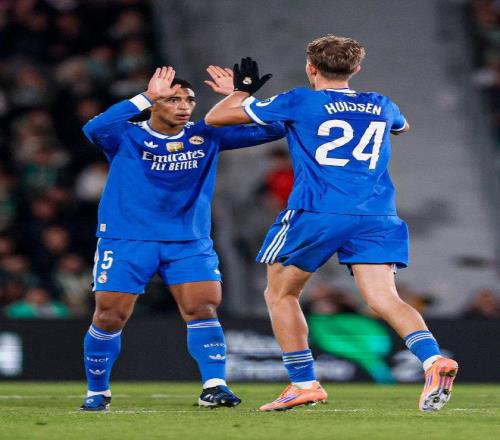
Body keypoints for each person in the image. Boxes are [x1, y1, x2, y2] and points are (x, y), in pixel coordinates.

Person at [205, 35, 458, 412]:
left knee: (280, 294)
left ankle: (303, 383)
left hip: (318, 210)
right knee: (385, 298)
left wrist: (241, 91)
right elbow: (402, 127)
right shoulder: (381, 103)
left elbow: (216, 118)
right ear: (356, 68)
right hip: (377, 214)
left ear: (311, 68)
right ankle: (433, 358)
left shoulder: (300, 100)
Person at [80, 66, 285, 411]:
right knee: (110, 315)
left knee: (203, 307)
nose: (184, 106)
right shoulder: (125, 136)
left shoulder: (207, 134)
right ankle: (98, 391)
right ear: (154, 105)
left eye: (189, 100)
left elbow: (275, 128)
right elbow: (93, 129)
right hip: (127, 238)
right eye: (173, 100)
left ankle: (214, 386)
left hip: (188, 241)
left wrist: (240, 98)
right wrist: (145, 95)